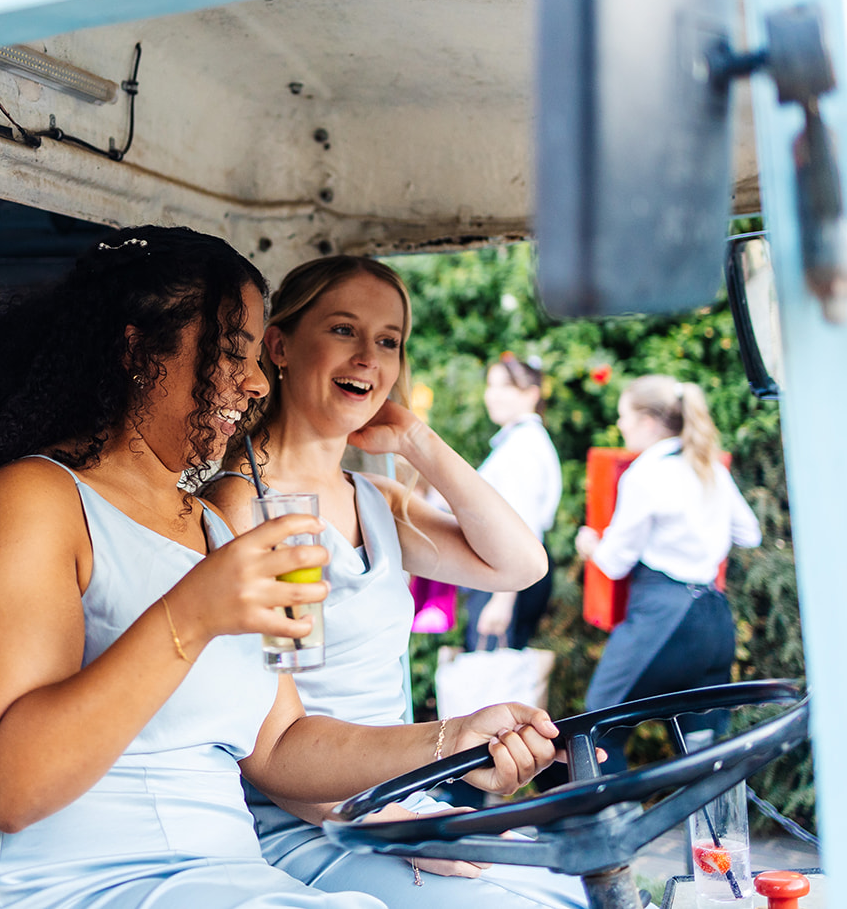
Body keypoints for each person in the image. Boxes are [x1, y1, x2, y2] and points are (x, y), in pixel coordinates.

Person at [0, 226, 558, 909]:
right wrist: (191, 614)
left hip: (220, 878)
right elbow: (12, 789)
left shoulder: (214, 526)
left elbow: (282, 746)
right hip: (59, 882)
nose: (253, 383)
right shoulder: (34, 499)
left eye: (252, 357)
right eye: (230, 353)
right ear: (138, 350)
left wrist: (449, 737)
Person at [205, 256, 586, 908]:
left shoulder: (375, 496)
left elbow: (522, 563)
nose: (368, 358)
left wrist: (414, 437)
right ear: (280, 345)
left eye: (388, 341)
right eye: (344, 330)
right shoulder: (252, 508)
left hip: (400, 804)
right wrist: (400, 828)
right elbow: (272, 753)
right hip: (308, 825)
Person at [575, 374, 762, 734]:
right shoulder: (707, 465)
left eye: (624, 416)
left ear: (647, 422)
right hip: (714, 618)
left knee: (596, 725)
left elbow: (615, 563)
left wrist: (589, 546)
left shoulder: (646, 473)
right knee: (701, 742)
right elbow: (749, 534)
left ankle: (619, 795)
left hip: (663, 616)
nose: (620, 425)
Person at [460, 354, 563, 653]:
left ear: (532, 394)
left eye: (505, 386)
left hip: (509, 578)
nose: (493, 395)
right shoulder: (517, 441)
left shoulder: (523, 447)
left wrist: (503, 600)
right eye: (490, 385)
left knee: (492, 681)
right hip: (510, 574)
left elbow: (523, 525)